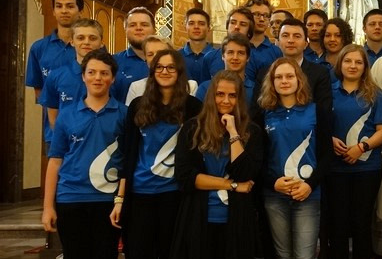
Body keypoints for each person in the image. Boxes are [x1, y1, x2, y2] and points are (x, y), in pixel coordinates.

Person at [111, 50, 202, 259]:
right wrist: (120, 199)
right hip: (140, 193)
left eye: (171, 67)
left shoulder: (193, 107)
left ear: (179, 72)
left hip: (175, 194)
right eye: (159, 67)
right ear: (152, 72)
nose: (164, 71)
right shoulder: (137, 105)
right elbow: (129, 154)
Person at [41, 50, 125, 259]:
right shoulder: (66, 115)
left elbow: (128, 161)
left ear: (113, 78)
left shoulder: (124, 114)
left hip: (108, 200)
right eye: (92, 72)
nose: (98, 78)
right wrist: (48, 207)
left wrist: (121, 199)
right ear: (83, 76)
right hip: (70, 199)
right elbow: (55, 161)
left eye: (104, 73)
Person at [171, 70, 263, 259]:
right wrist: (232, 185)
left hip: (237, 220)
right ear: (211, 96)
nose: (226, 101)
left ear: (240, 99)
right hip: (198, 217)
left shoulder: (252, 131)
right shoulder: (192, 128)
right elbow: (184, 176)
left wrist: (233, 132)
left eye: (232, 95)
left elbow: (245, 173)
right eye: (220, 94)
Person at [257, 58, 333, 259]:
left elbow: (327, 155)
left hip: (307, 194)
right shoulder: (263, 114)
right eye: (278, 77)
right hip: (275, 195)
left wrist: (309, 185)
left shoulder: (316, 111)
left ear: (299, 79)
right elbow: (258, 158)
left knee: (305, 255)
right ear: (271, 82)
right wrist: (273, 183)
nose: (284, 81)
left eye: (289, 76)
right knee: (282, 254)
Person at [327, 44, 382, 259]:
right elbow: (318, 126)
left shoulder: (375, 94)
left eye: (358, 62)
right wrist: (329, 140)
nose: (353, 66)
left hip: (367, 169)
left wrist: (361, 148)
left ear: (365, 67)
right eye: (348, 61)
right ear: (340, 64)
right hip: (335, 169)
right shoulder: (328, 92)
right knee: (338, 225)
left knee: (362, 223)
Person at [26, 0, 81, 145]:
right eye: (59, 6)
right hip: (54, 131)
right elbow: (38, 89)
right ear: (53, 11)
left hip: (87, 129)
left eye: (70, 6)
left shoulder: (90, 47)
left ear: (80, 11)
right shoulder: (39, 48)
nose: (64, 11)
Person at [40, 19, 105, 131]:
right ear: (72, 42)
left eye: (92, 38)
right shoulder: (56, 76)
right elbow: (53, 118)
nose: (86, 42)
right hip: (65, 139)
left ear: (102, 43)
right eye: (80, 38)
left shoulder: (111, 77)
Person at [126, 35, 199, 105]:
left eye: (161, 53)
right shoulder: (136, 87)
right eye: (150, 54)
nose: (155, 58)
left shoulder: (191, 87)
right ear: (145, 58)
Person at [200, 7, 261, 82]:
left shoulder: (258, 60)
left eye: (243, 24)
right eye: (233, 22)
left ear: (249, 30)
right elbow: (206, 86)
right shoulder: (210, 57)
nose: (237, 27)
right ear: (227, 26)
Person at [112, 7, 156, 102]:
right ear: (125, 30)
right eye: (132, 25)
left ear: (154, 29)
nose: (138, 28)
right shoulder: (112, 62)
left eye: (144, 25)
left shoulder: (169, 61)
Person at [196, 33, 256, 103]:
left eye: (240, 53)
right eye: (230, 52)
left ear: (248, 58)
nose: (235, 57)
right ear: (223, 56)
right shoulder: (205, 88)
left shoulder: (255, 90)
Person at [244, 0, 282, 74]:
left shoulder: (276, 52)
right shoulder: (239, 47)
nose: (261, 19)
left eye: (265, 16)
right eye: (257, 14)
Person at [181, 8, 214, 82]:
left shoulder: (217, 56)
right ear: (185, 27)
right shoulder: (176, 57)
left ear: (209, 28)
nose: (196, 27)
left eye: (201, 24)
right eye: (191, 23)